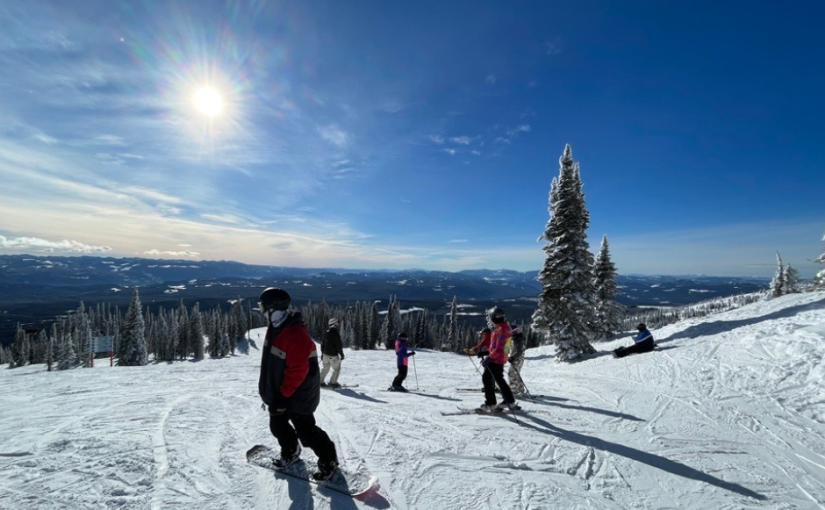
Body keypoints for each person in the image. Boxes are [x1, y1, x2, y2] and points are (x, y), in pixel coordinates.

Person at [257, 287, 339, 481]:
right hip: (282, 392)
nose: (261, 312)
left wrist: (283, 396)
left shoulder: (295, 334)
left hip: (299, 394)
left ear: (273, 308)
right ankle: (291, 451)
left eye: (262, 307)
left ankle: (329, 459)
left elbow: (297, 371)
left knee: (306, 431)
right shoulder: (276, 328)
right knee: (277, 424)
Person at [472, 307, 517, 412]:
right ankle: (510, 401)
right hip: (498, 358)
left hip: (496, 360)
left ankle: (491, 403)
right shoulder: (502, 328)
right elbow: (497, 347)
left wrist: (489, 358)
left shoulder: (501, 330)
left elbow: (499, 348)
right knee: (499, 380)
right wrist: (486, 353)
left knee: (487, 379)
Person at [320, 318, 345, 388]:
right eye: (337, 324)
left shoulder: (326, 333)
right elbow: (339, 346)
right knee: (337, 369)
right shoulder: (336, 335)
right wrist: (341, 354)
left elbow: (322, 345)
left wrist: (322, 354)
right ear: (334, 324)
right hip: (333, 356)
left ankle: (319, 381)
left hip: (325, 355)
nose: (338, 325)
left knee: (325, 368)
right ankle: (332, 383)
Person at [508, 325, 526, 396]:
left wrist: (513, 358)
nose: (510, 333)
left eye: (512, 331)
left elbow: (520, 351)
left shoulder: (517, 339)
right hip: (518, 359)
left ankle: (513, 391)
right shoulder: (515, 338)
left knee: (511, 373)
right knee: (516, 373)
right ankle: (520, 390)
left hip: (517, 359)